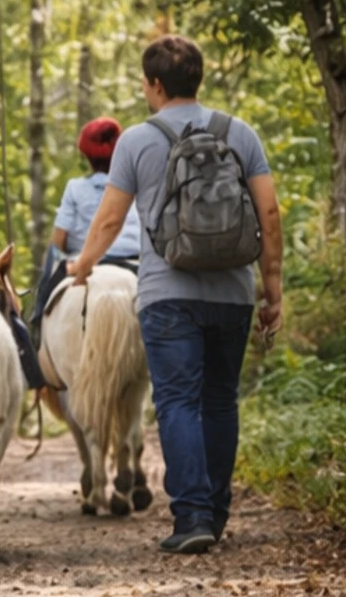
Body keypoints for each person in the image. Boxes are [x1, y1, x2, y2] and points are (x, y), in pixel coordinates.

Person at [69, 34, 283, 555]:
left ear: (157, 85)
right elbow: (270, 213)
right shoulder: (241, 134)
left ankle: (191, 518)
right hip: (233, 293)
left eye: (146, 82)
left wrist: (81, 267)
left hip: (168, 296)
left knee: (177, 402)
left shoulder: (137, 142)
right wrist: (272, 286)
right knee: (219, 401)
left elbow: (111, 219)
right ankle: (217, 510)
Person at [30, 117, 144, 342]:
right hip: (137, 263)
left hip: (85, 261)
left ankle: (36, 330)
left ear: (87, 156)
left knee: (52, 255)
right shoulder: (137, 186)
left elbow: (58, 240)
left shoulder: (75, 188)